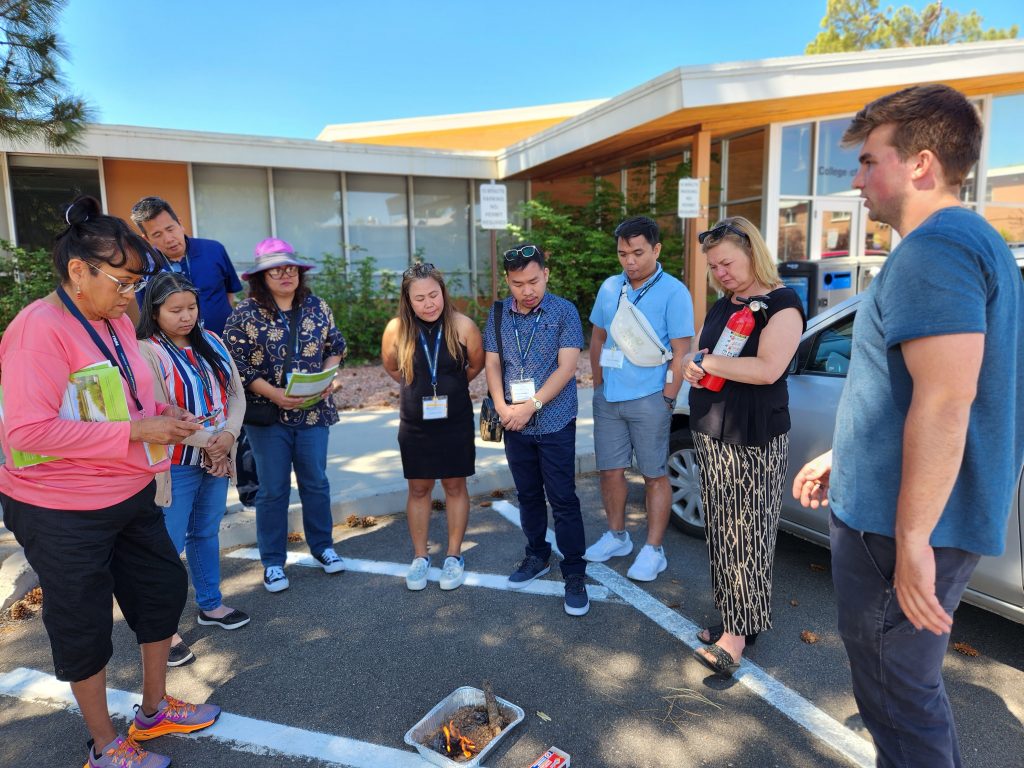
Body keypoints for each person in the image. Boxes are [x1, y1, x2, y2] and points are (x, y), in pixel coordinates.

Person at [792, 84, 1024, 767]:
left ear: (920, 164)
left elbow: (948, 400)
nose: (857, 181)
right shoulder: (975, 242)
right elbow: (915, 389)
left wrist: (915, 537)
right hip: (905, 519)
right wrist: (845, 451)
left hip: (896, 531)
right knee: (905, 689)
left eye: (869, 162)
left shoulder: (934, 251)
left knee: (897, 695)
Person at [0, 196, 220, 768]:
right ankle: (102, 745)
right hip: (59, 506)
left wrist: (163, 415)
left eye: (135, 284)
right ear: (79, 271)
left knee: (160, 595)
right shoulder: (36, 331)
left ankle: (152, 712)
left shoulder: (116, 320)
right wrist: (136, 428)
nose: (130, 297)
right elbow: (26, 429)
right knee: (84, 622)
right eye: (122, 282)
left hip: (128, 489)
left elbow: (122, 394)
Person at [680, 217, 804, 677]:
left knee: (747, 533)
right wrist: (694, 366)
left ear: (753, 252)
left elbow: (768, 368)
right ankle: (736, 617)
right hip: (712, 429)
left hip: (754, 436)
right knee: (722, 531)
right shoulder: (722, 305)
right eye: (714, 267)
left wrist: (706, 360)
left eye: (727, 263)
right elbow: (700, 352)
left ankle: (737, 635)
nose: (721, 273)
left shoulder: (782, 305)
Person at [137, 272, 250, 668]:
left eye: (192, 307)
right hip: (177, 463)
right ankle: (163, 629)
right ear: (154, 311)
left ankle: (211, 604)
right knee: (168, 547)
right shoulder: (146, 351)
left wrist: (230, 436)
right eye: (176, 310)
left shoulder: (212, 341)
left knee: (205, 531)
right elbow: (153, 411)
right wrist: (211, 443)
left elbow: (236, 395)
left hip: (218, 456)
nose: (187, 317)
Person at [223, 238, 347, 594]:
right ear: (261, 276)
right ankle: (273, 562)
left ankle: (323, 547)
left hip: (314, 412)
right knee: (273, 490)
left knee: (316, 483)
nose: (285, 274)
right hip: (269, 417)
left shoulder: (317, 307)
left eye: (290, 267)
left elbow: (335, 347)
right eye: (276, 269)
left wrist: (327, 380)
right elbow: (236, 364)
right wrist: (275, 394)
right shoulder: (245, 313)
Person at [584, 215, 693, 581]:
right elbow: (598, 336)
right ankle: (617, 536)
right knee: (610, 471)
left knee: (654, 474)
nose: (629, 261)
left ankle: (653, 549)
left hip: (651, 398)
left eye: (637, 252)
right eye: (622, 253)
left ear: (656, 249)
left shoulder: (675, 292)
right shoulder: (610, 287)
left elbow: (682, 351)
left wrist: (668, 397)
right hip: (609, 398)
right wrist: (599, 385)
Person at [483, 243, 590, 616]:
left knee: (562, 498)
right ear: (508, 282)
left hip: (555, 419)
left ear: (546, 274)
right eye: (517, 284)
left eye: (533, 281)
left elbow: (566, 367)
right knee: (527, 495)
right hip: (515, 423)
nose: (527, 290)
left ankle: (574, 571)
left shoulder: (564, 311)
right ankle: (537, 555)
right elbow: (492, 365)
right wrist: (501, 407)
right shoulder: (498, 314)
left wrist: (531, 406)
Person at [381, 263, 484, 591]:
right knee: (419, 489)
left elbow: (476, 364)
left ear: (444, 292)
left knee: (455, 486)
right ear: (407, 300)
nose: (429, 303)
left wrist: (449, 385)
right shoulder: (396, 330)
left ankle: (454, 555)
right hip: (415, 425)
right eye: (420, 298)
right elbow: (393, 368)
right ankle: (420, 557)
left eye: (434, 295)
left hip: (454, 422)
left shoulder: (462, 325)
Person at [130, 196, 242, 336]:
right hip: (177, 349)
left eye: (170, 229)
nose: (169, 239)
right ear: (146, 239)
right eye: (157, 234)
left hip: (224, 339)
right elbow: (147, 314)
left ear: (180, 224)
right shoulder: (144, 267)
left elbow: (229, 293)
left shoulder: (214, 249)